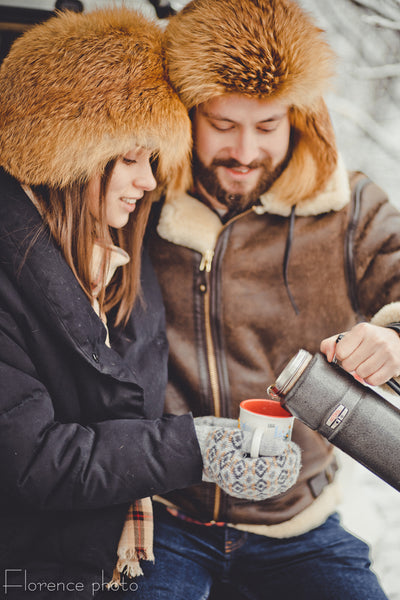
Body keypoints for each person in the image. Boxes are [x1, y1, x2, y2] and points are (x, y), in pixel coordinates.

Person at [0, 6, 301, 599]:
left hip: (110, 548)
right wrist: (198, 446)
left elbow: (245, 161)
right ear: (70, 152)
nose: (147, 182)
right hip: (37, 568)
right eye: (130, 158)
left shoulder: (108, 255)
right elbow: (31, 459)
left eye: (152, 160)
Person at [128, 0, 400, 599]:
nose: (245, 152)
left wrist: (392, 336)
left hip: (299, 526)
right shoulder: (141, 206)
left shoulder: (349, 210)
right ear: (187, 116)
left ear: (299, 119)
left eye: (267, 126)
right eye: (223, 125)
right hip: (169, 519)